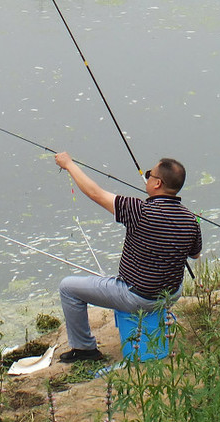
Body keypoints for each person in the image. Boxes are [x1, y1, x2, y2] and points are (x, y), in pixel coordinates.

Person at [54, 152, 201, 363]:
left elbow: (95, 193)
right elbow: (195, 254)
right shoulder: (191, 219)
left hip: (138, 297)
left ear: (158, 183)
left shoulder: (139, 210)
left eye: (150, 174)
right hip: (170, 294)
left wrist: (69, 165)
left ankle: (85, 349)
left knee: (68, 288)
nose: (147, 177)